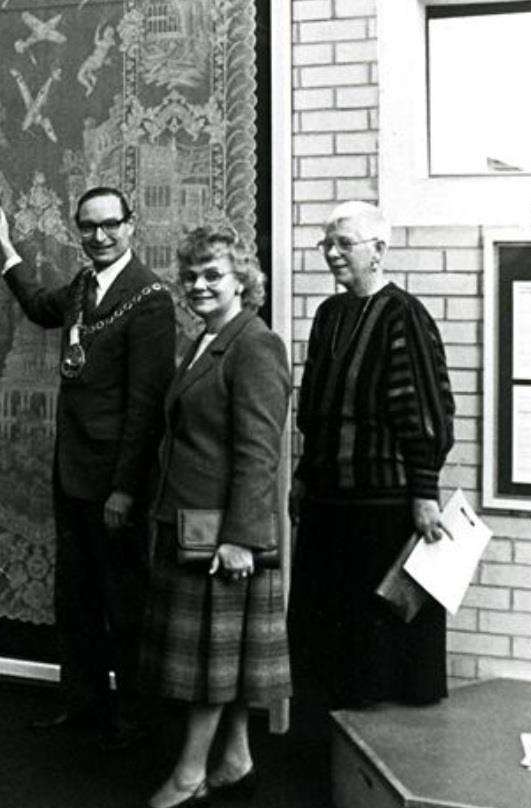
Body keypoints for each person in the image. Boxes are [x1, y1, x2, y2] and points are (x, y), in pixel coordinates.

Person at [0, 187, 175, 743]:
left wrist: (124, 490)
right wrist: (6, 248)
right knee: (77, 600)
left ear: (131, 226)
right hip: (72, 474)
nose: (100, 236)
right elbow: (42, 307)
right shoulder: (81, 286)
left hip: (115, 484)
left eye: (110, 225)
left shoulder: (151, 298)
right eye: (89, 227)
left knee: (125, 603)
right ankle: (84, 706)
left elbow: (147, 407)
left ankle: (136, 721)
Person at [138, 226, 291, 808]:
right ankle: (235, 756)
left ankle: (188, 772)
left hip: (224, 534)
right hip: (191, 524)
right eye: (192, 276)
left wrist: (240, 539)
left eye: (213, 276)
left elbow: (260, 450)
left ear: (241, 283)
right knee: (217, 657)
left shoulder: (254, 343)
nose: (198, 285)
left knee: (209, 662)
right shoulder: (206, 339)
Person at [289, 200, 455, 712]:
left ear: (379, 250)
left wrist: (424, 495)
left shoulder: (403, 314)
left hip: (382, 509)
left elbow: (426, 412)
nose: (333, 254)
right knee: (322, 633)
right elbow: (314, 411)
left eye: (345, 243)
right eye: (328, 244)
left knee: (376, 642)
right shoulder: (328, 314)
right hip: (326, 502)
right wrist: (300, 477)